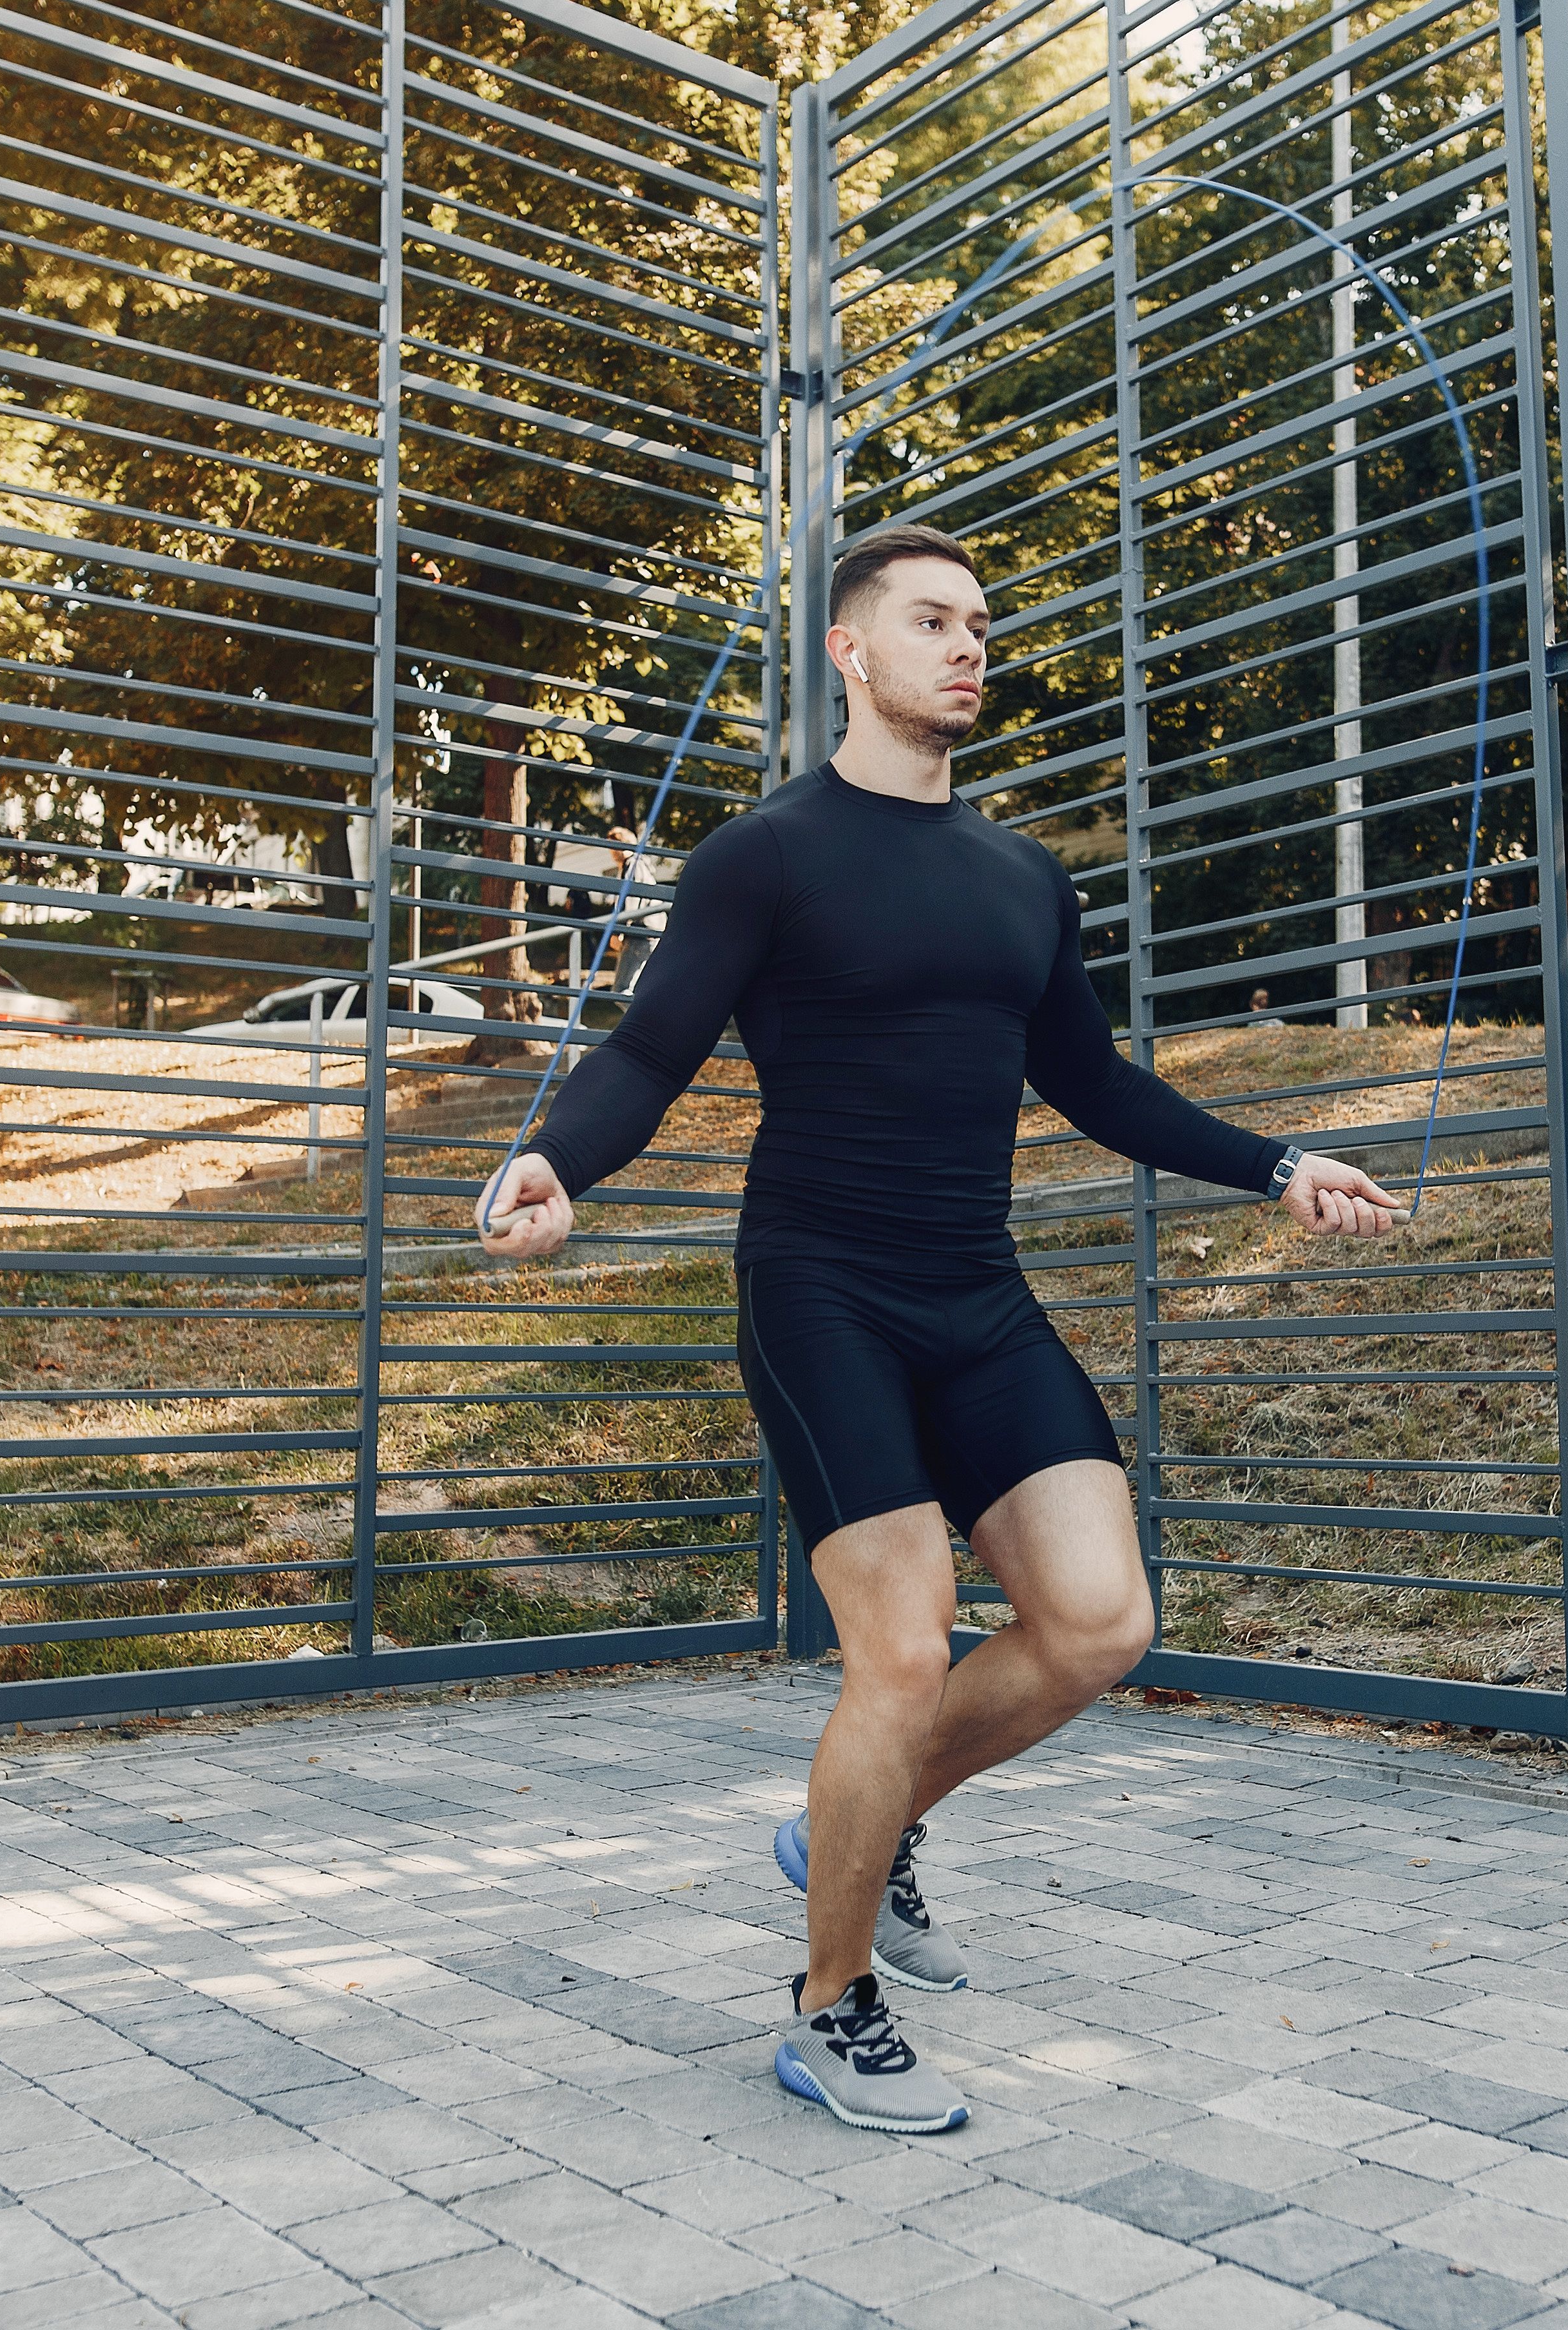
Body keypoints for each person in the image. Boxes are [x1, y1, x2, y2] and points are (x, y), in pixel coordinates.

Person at [476, 522, 1402, 2134]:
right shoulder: (764, 858)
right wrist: (554, 1161)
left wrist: (1277, 1164)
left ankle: (875, 1818)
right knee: (898, 1653)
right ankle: (831, 2010)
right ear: (853, 653)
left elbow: (1096, 1086)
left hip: (973, 1290)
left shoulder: (1021, 877)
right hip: (820, 1285)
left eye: (980, 621)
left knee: (1101, 1622)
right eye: (932, 621)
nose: (969, 646)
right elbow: (648, 1051)